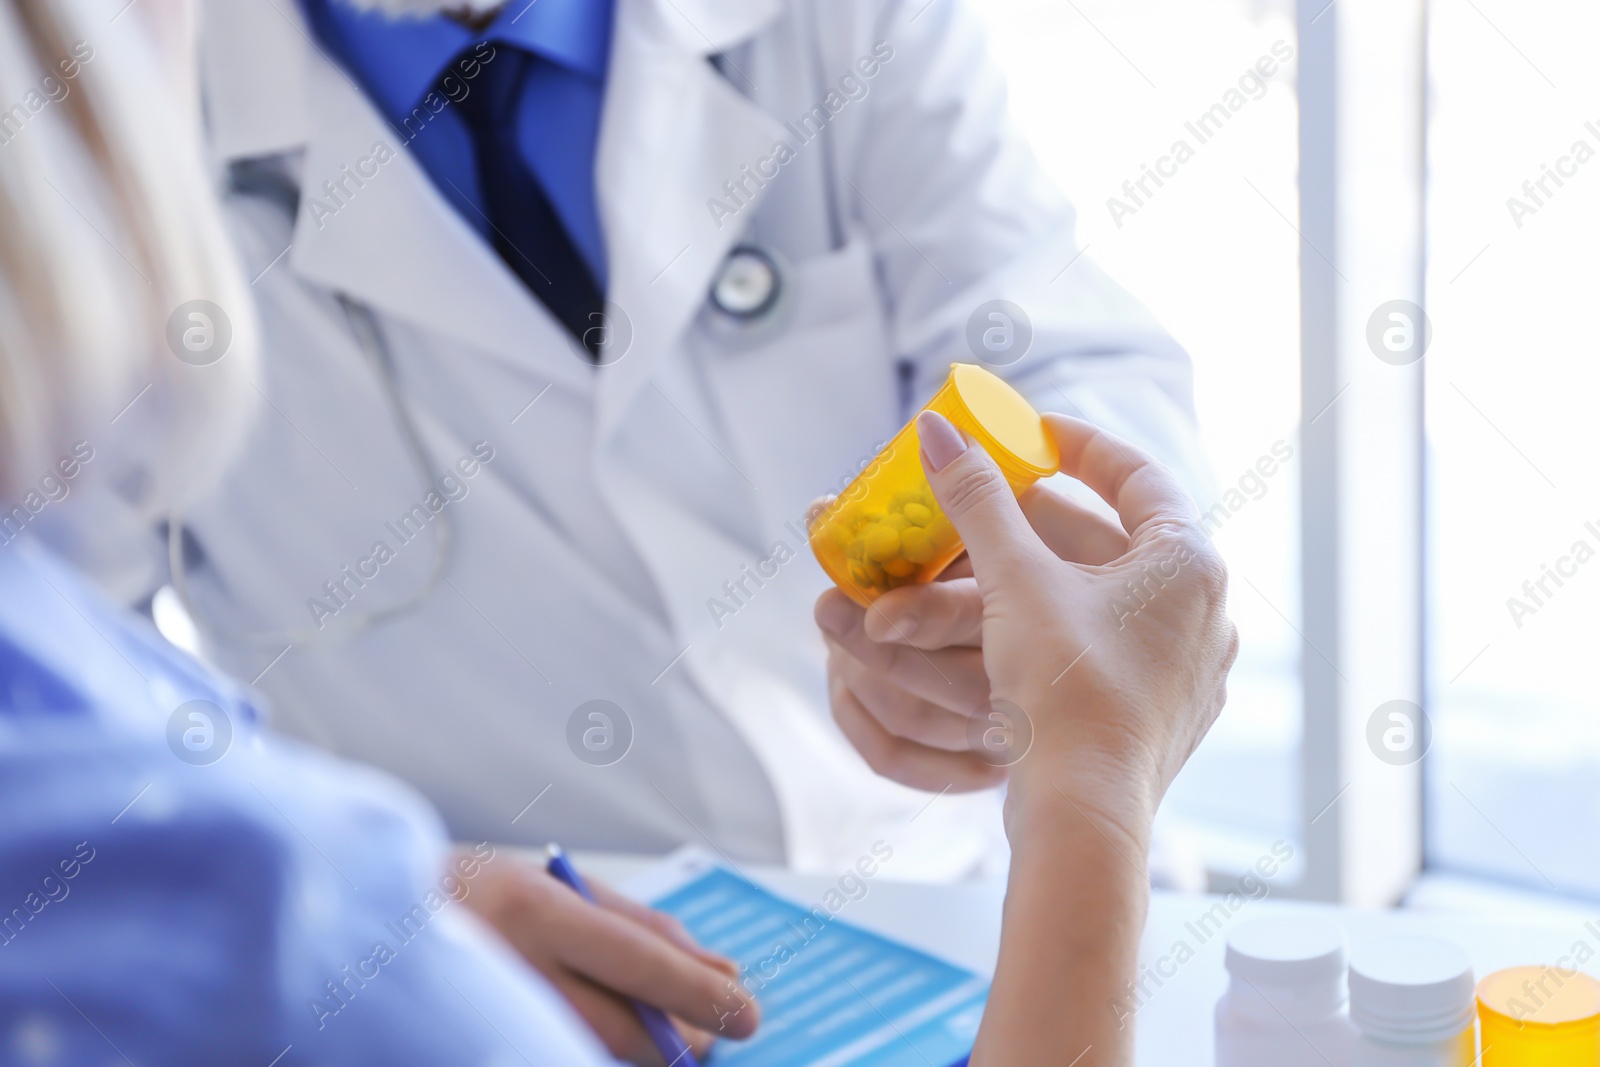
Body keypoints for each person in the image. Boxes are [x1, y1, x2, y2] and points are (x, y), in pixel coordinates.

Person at [0, 4, 1234, 1063]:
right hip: (529, 951)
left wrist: (1026, 619)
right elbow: (76, 696)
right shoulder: (110, 90)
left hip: (944, 901)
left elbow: (1057, 359)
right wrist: (398, 887)